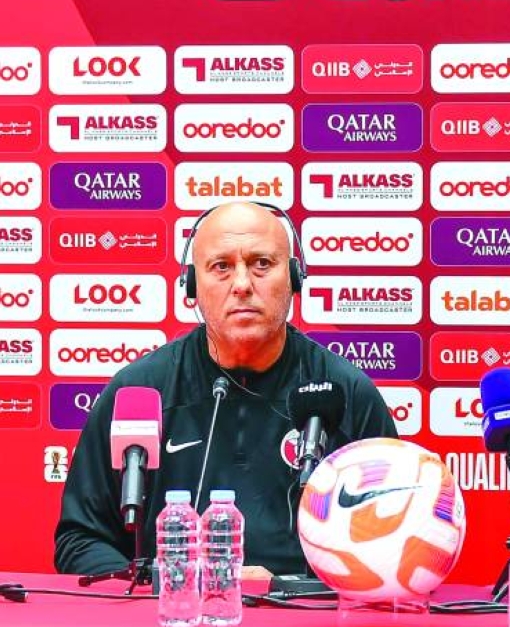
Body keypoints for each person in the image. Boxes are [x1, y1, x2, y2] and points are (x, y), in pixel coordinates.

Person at [55, 201, 396, 576]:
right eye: (221, 267)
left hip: (306, 625)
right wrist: (172, 580)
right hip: (172, 624)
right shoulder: (139, 394)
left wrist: (290, 589)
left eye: (262, 264)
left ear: (295, 277)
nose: (242, 284)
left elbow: (389, 542)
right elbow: (81, 541)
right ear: (191, 284)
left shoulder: (346, 395)